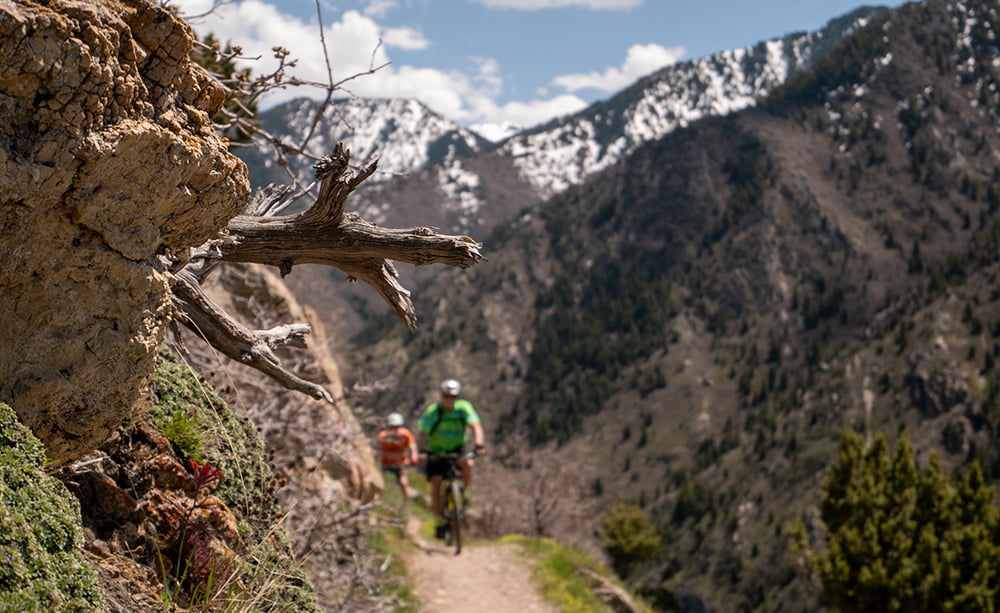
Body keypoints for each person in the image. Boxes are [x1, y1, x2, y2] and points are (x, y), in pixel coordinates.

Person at [417, 378, 486, 538]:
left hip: (457, 448)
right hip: (436, 452)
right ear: (441, 396)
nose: (450, 400)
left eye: (453, 397)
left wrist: (479, 444)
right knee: (436, 485)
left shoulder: (464, 408)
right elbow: (423, 433)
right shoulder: (433, 412)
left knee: (468, 463)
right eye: (447, 396)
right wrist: (422, 450)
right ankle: (438, 523)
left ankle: (464, 492)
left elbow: (475, 426)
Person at [376, 412, 419, 498]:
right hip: (385, 463)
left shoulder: (406, 435)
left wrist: (414, 458)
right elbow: (377, 448)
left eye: (396, 427)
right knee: (379, 482)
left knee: (403, 483)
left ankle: (405, 502)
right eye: (391, 426)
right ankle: (378, 499)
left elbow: (412, 447)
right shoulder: (383, 436)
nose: (394, 429)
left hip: (400, 463)